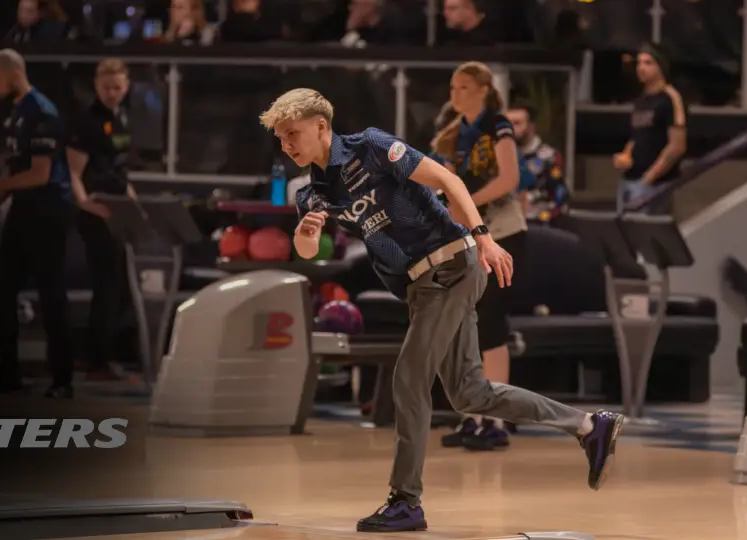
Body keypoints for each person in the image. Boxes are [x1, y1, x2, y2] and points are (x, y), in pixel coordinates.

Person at [259, 88, 624, 533]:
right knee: (471, 394)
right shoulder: (312, 194)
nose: (287, 145)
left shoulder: (371, 146)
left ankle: (405, 501)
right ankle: (589, 425)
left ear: (321, 125)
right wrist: (306, 232)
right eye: (280, 139)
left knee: (409, 379)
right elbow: (307, 251)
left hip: (451, 265)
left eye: (292, 134)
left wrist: (485, 236)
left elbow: (449, 181)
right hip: (422, 287)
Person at [430, 62, 526, 452]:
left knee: (491, 323)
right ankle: (473, 416)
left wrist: (467, 204)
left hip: (503, 233)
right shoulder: (455, 135)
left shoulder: (497, 125)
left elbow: (508, 179)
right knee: (468, 324)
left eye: (464, 86)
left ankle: (496, 420)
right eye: (452, 86)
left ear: (483, 89)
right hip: (471, 236)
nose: (455, 93)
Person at [0, 49, 74, 398]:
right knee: (2, 288)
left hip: (49, 211)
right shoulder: (15, 114)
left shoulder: (42, 113)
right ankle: (7, 370)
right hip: (24, 208)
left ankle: (63, 379)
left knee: (51, 295)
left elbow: (41, 174)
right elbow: (19, 167)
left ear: (14, 73)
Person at [65, 58, 139, 381]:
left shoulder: (121, 118)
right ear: (96, 86)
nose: (112, 93)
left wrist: (133, 201)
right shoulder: (87, 122)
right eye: (107, 87)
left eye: (118, 87)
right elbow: (73, 172)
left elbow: (118, 168)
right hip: (97, 212)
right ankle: (97, 360)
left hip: (119, 210)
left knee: (119, 285)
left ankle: (99, 354)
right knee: (107, 285)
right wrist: (85, 204)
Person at [614, 44, 687, 215]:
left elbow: (677, 146)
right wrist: (626, 154)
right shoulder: (641, 100)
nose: (641, 68)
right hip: (630, 177)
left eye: (648, 63)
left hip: (653, 183)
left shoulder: (671, 98)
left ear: (660, 67)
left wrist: (650, 177)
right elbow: (638, 135)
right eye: (639, 63)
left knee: (644, 234)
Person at [506, 104, 569, 222]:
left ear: (532, 127)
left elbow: (560, 196)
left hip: (538, 223)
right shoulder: (500, 155)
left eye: (517, 123)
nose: (510, 129)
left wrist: (544, 217)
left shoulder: (548, 157)